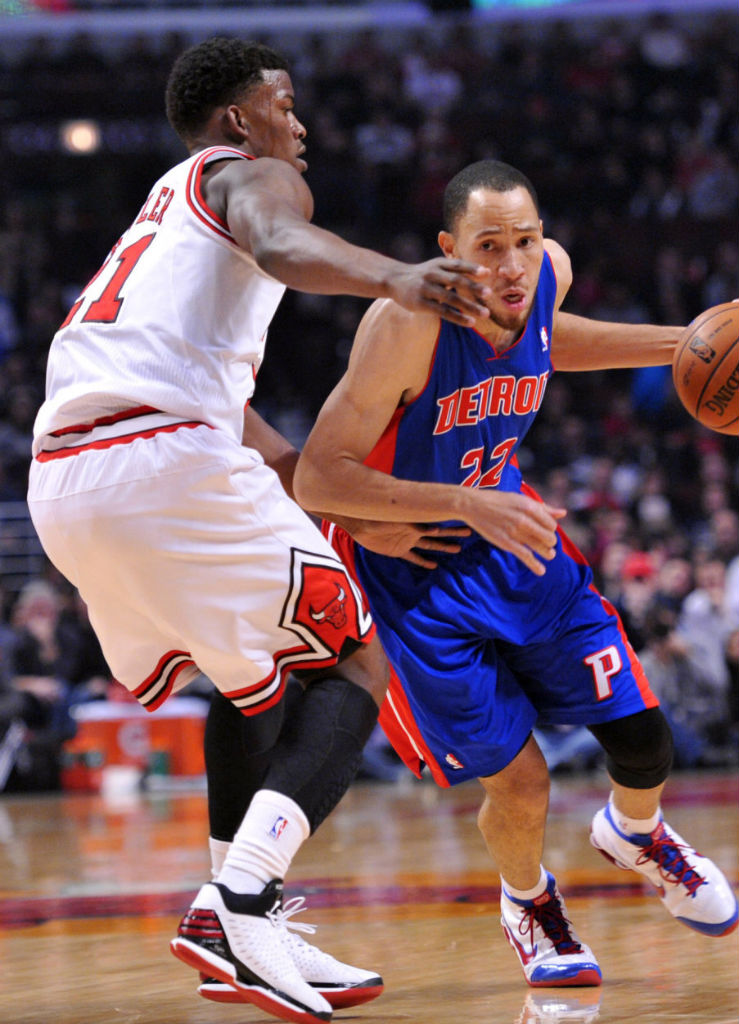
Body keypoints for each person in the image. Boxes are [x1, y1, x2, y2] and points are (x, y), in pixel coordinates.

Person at [26, 38, 503, 1024]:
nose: (301, 126)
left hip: (68, 479)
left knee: (250, 671)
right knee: (356, 666)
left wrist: (350, 510)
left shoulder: (158, 229)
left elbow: (246, 428)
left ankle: (246, 910)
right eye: (284, 103)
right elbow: (284, 244)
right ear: (240, 118)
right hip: (161, 459)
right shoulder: (250, 173)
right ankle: (236, 899)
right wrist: (394, 279)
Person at [293, 159, 739, 988]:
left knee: (643, 739)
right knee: (522, 781)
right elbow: (316, 476)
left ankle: (634, 834)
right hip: (410, 570)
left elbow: (547, 342)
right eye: (487, 246)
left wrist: (683, 346)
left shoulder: (546, 276)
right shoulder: (405, 325)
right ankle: (527, 901)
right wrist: (462, 503)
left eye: (522, 242)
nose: (508, 263)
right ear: (447, 251)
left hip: (511, 536)